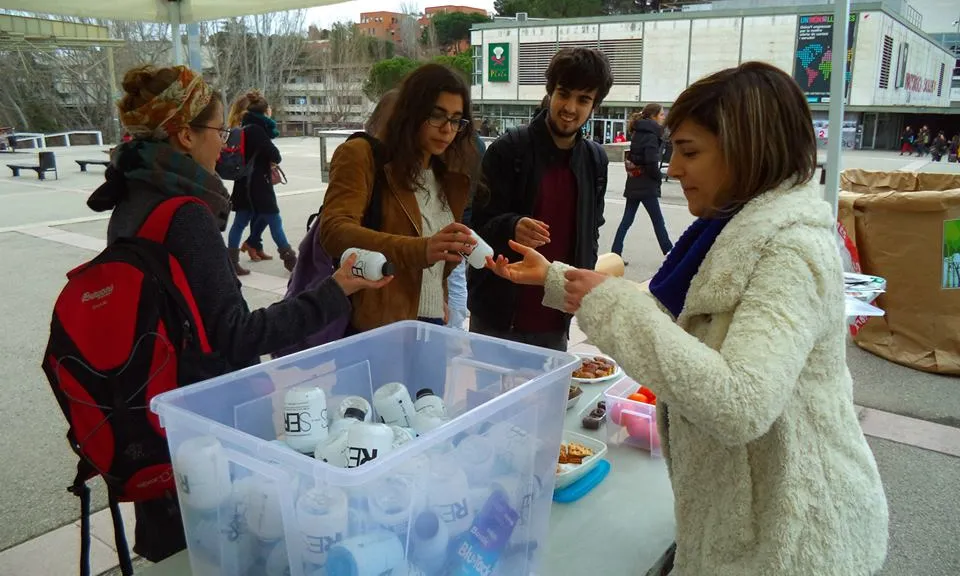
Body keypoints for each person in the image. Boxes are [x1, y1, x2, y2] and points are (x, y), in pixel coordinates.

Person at [486, 61, 889, 575]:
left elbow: (741, 402)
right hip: (743, 519)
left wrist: (609, 304)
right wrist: (556, 278)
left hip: (793, 536)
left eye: (690, 151)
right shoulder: (725, 231)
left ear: (748, 150)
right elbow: (664, 317)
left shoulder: (791, 249)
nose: (672, 169)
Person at [87, 64, 390, 562]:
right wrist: (334, 290)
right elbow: (237, 336)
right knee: (220, 549)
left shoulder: (132, 199)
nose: (225, 144)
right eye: (218, 131)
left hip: (146, 406)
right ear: (185, 135)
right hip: (199, 425)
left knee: (176, 549)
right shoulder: (184, 214)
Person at [467, 47, 612, 352]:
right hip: (498, 317)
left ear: (594, 106)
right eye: (564, 93)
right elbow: (474, 224)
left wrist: (579, 293)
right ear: (550, 92)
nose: (570, 107)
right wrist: (512, 225)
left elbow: (591, 233)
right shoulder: (509, 150)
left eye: (583, 99)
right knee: (488, 399)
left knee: (548, 400)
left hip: (554, 320)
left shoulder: (595, 160)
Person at [319, 63, 477, 333]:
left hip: (435, 323)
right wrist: (420, 249)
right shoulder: (363, 156)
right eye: (437, 116)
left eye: (455, 120)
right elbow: (334, 232)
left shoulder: (449, 175)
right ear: (412, 112)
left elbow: (437, 261)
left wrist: (440, 296)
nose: (447, 129)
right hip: (379, 325)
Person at [227, 92, 297, 272]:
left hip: (244, 183)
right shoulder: (257, 130)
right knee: (274, 219)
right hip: (258, 184)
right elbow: (276, 155)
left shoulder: (246, 126)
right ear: (265, 111)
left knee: (240, 222)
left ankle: (232, 261)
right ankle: (290, 260)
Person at [612, 103, 673, 262]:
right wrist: (658, 177)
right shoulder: (652, 135)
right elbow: (651, 162)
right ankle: (671, 255)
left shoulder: (639, 132)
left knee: (627, 220)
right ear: (653, 116)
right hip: (646, 185)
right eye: (661, 114)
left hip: (634, 182)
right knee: (658, 221)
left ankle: (615, 253)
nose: (663, 117)